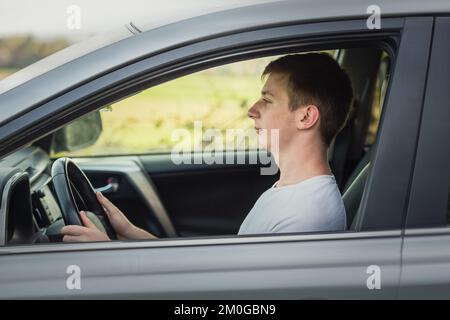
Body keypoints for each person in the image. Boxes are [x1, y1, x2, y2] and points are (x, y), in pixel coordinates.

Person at [62, 52, 353, 242]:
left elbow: (228, 298)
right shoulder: (290, 192)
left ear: (305, 117)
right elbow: (219, 274)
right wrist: (130, 233)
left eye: (266, 100)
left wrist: (109, 254)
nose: (252, 110)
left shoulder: (306, 217)